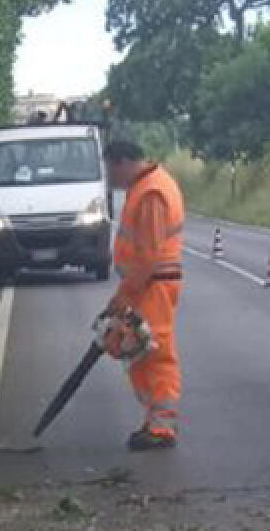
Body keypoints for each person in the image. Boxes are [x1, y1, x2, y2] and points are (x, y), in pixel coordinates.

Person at [103, 140, 186, 450]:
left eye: (109, 169)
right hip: (148, 284)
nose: (109, 178)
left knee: (155, 352)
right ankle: (154, 421)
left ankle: (162, 426)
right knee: (140, 351)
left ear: (122, 162)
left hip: (153, 285)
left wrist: (125, 296)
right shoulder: (146, 187)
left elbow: (148, 255)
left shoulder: (151, 192)